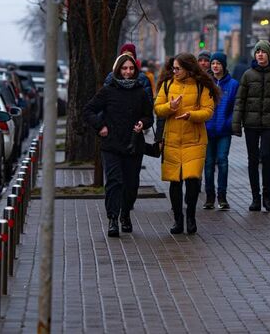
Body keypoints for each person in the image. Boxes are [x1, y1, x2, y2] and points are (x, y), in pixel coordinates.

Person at [84, 54, 154, 237]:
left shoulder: (140, 92)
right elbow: (88, 110)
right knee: (114, 182)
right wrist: (100, 126)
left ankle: (125, 214)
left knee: (131, 184)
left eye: (131, 68)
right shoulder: (108, 91)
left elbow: (149, 116)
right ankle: (113, 219)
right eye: (124, 68)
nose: (127, 72)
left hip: (133, 145)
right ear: (118, 70)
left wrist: (142, 123)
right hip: (112, 145)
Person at [154, 53, 218, 234]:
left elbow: (208, 111)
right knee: (175, 182)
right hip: (172, 141)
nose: (174, 71)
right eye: (173, 68)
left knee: (192, 181)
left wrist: (191, 115)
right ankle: (178, 219)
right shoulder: (167, 85)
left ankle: (191, 217)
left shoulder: (201, 86)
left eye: (178, 68)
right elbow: (157, 108)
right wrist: (170, 107)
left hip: (194, 141)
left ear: (188, 69)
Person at [232, 40, 270, 212]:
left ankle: (267, 197)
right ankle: (255, 198)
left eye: (263, 51)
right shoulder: (248, 75)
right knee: (252, 159)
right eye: (257, 52)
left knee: (266, 156)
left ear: (268, 54)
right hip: (250, 124)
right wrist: (236, 124)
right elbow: (240, 101)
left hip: (269, 124)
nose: (260, 54)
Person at [202, 52, 239, 210]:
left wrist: (229, 123)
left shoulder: (233, 84)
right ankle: (209, 197)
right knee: (209, 163)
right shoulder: (205, 83)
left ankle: (222, 197)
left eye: (218, 63)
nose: (215, 66)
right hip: (208, 129)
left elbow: (236, 106)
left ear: (223, 65)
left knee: (223, 161)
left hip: (224, 130)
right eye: (213, 63)